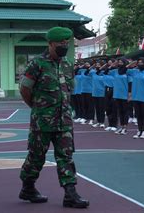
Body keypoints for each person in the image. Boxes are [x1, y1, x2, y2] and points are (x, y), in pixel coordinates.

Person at [18, 27, 89, 208]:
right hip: (42, 121)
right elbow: (25, 89)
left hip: (64, 120)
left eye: (66, 43)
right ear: (50, 44)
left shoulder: (67, 64)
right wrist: (36, 108)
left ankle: (70, 194)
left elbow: (70, 89)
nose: (64, 46)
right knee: (36, 157)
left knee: (66, 156)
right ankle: (28, 187)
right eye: (60, 43)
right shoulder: (37, 64)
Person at [127, 57, 144, 139]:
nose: (140, 64)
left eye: (142, 62)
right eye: (138, 63)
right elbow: (125, 69)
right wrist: (132, 63)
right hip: (135, 98)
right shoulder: (134, 72)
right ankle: (139, 130)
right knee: (138, 115)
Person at [112, 58, 131, 135]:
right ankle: (121, 126)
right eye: (119, 62)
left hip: (124, 94)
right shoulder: (116, 71)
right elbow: (106, 71)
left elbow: (130, 84)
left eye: (121, 62)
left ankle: (125, 128)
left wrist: (129, 94)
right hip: (117, 94)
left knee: (125, 111)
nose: (119, 63)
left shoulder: (127, 72)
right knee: (120, 111)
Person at [91, 62, 106, 128]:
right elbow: (87, 71)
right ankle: (98, 121)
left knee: (101, 108)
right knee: (97, 108)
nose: (97, 66)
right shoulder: (93, 72)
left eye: (99, 65)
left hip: (102, 93)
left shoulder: (104, 73)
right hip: (95, 93)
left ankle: (102, 122)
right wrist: (92, 66)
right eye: (96, 65)